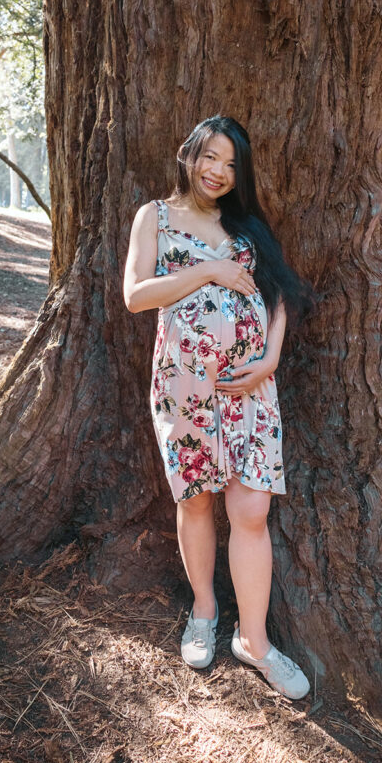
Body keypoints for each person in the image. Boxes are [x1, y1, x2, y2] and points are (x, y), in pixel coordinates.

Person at [123, 115, 312, 699]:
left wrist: (272, 356)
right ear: (189, 154)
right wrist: (206, 269)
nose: (218, 172)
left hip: (249, 388)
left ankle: (253, 640)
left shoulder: (249, 226)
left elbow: (279, 294)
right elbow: (134, 296)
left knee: (251, 507)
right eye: (210, 157)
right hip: (184, 386)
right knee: (197, 497)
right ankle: (204, 610)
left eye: (231, 165)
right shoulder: (154, 216)